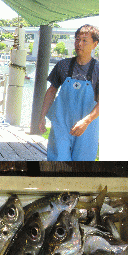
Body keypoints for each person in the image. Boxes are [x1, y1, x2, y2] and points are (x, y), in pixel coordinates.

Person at [38, 24, 99, 161]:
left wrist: (86, 121)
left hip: (87, 128)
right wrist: (42, 116)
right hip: (61, 125)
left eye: (84, 40)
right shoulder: (62, 65)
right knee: (57, 162)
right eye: (77, 39)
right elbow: (51, 90)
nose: (79, 44)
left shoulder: (99, 69)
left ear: (94, 44)